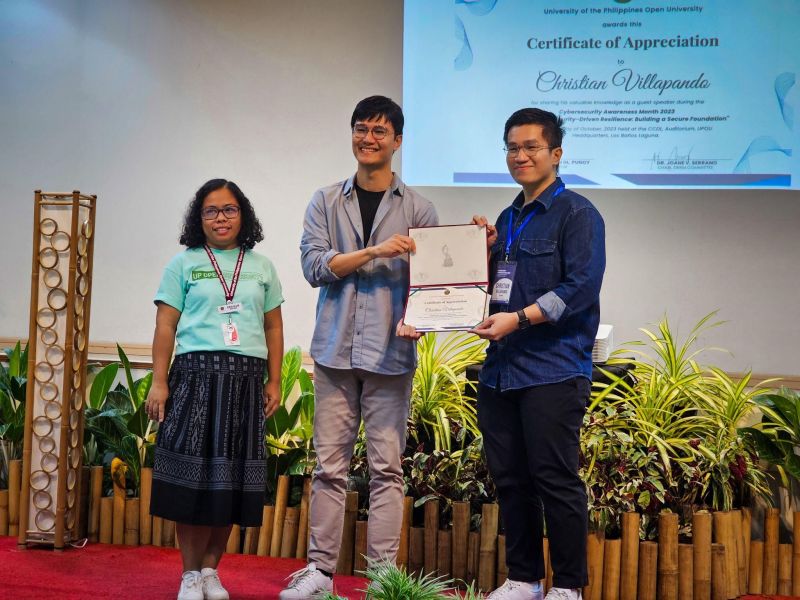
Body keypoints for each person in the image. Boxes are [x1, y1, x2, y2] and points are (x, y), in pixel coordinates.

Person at [280, 95, 438, 599]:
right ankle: (319, 573)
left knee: (387, 470)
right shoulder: (325, 201)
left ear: (397, 141)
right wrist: (372, 251)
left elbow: (435, 286)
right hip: (333, 353)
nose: (368, 138)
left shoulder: (419, 209)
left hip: (391, 357)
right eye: (360, 129)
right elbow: (314, 267)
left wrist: (421, 318)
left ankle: (382, 580)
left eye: (379, 131)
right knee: (328, 468)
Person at [471, 108, 606, 600]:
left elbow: (580, 289)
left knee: (555, 480)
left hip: (553, 369)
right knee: (510, 479)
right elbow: (496, 290)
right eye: (512, 147)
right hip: (501, 371)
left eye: (531, 147)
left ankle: (567, 586)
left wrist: (521, 319)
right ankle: (523, 578)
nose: (520, 156)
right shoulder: (508, 219)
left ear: (556, 153)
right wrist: (478, 254)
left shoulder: (579, 214)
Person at [146, 179, 284, 600]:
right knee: (190, 480)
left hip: (245, 383)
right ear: (198, 218)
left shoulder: (261, 266)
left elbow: (273, 326)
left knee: (230, 481)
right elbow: (165, 325)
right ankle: (189, 575)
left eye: (229, 209)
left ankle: (210, 572)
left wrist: (274, 380)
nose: (220, 218)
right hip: (194, 378)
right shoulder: (183, 264)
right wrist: (159, 379)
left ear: (243, 215)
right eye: (211, 211)